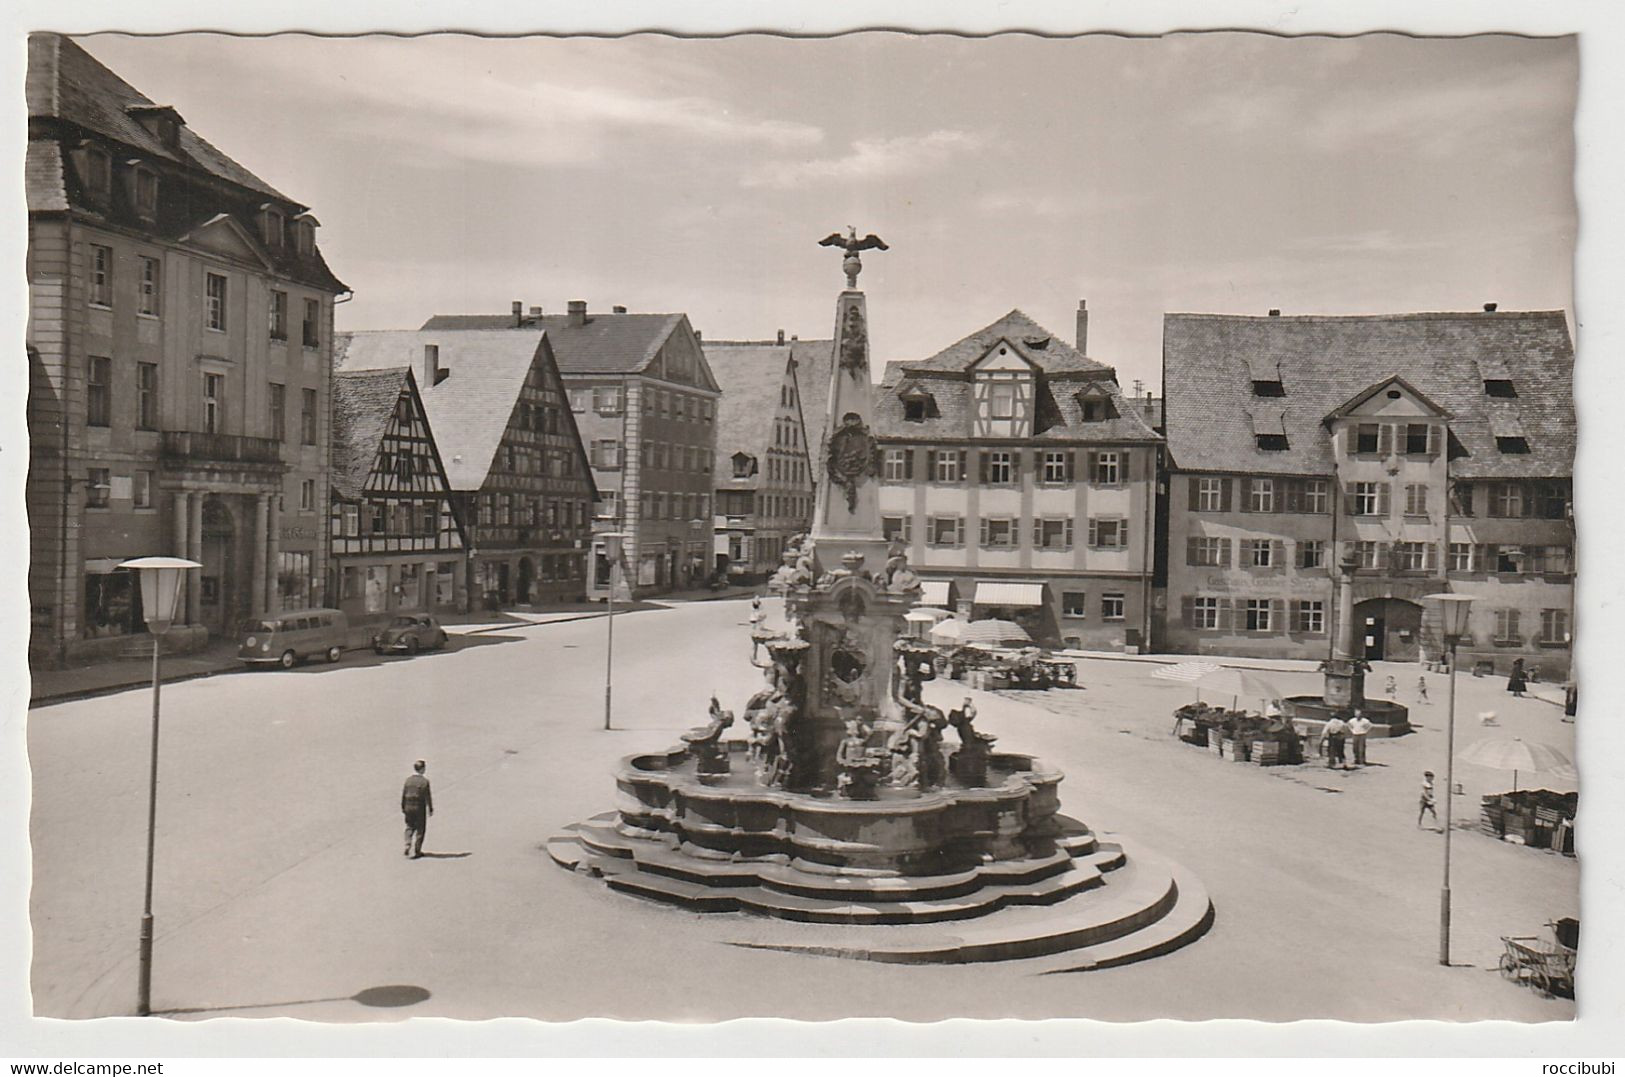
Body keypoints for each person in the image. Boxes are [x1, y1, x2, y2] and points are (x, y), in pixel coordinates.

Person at [401, 759, 433, 859]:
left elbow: (403, 794)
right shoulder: (424, 782)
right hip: (419, 807)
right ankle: (417, 850)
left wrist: (403, 807)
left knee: (409, 826)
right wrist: (430, 808)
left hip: (408, 806)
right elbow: (428, 796)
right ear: (422, 769)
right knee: (420, 828)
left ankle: (407, 843)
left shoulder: (408, 780)